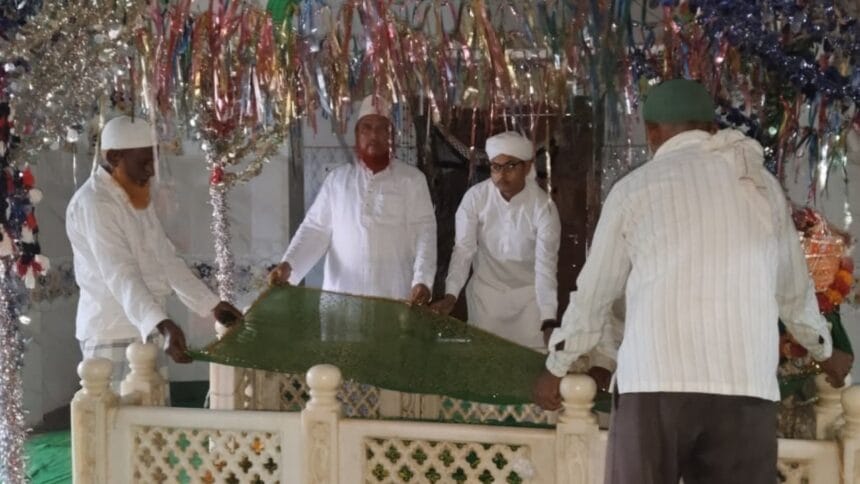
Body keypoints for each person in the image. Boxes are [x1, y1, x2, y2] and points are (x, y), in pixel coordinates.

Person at [532, 79, 853, 483]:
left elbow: (594, 295)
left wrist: (557, 366)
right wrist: (824, 350)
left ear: (652, 132)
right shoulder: (761, 187)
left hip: (655, 383)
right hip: (745, 386)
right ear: (711, 128)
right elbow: (793, 291)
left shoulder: (635, 189)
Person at [67, 115, 242, 393]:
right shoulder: (95, 203)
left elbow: (166, 259)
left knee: (150, 418)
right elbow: (120, 274)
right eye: (144, 162)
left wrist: (211, 305)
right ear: (114, 157)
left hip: (147, 329)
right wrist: (163, 325)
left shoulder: (133, 194)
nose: (151, 171)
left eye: (154, 162)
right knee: (114, 418)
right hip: (113, 332)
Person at [269, 95, 436, 304]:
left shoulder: (412, 180)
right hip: (341, 301)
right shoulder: (337, 180)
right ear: (357, 135)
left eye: (381, 128)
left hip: (394, 299)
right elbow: (315, 229)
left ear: (390, 135)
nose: (373, 135)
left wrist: (422, 281)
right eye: (367, 127)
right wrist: (289, 265)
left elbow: (425, 233)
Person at [430, 132, 560, 349]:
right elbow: (463, 250)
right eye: (496, 167)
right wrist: (451, 295)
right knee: (486, 361)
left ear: (527, 167)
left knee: (530, 363)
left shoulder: (543, 208)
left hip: (530, 301)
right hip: (486, 299)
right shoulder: (475, 198)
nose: (502, 175)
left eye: (510, 166)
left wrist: (548, 318)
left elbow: (545, 267)